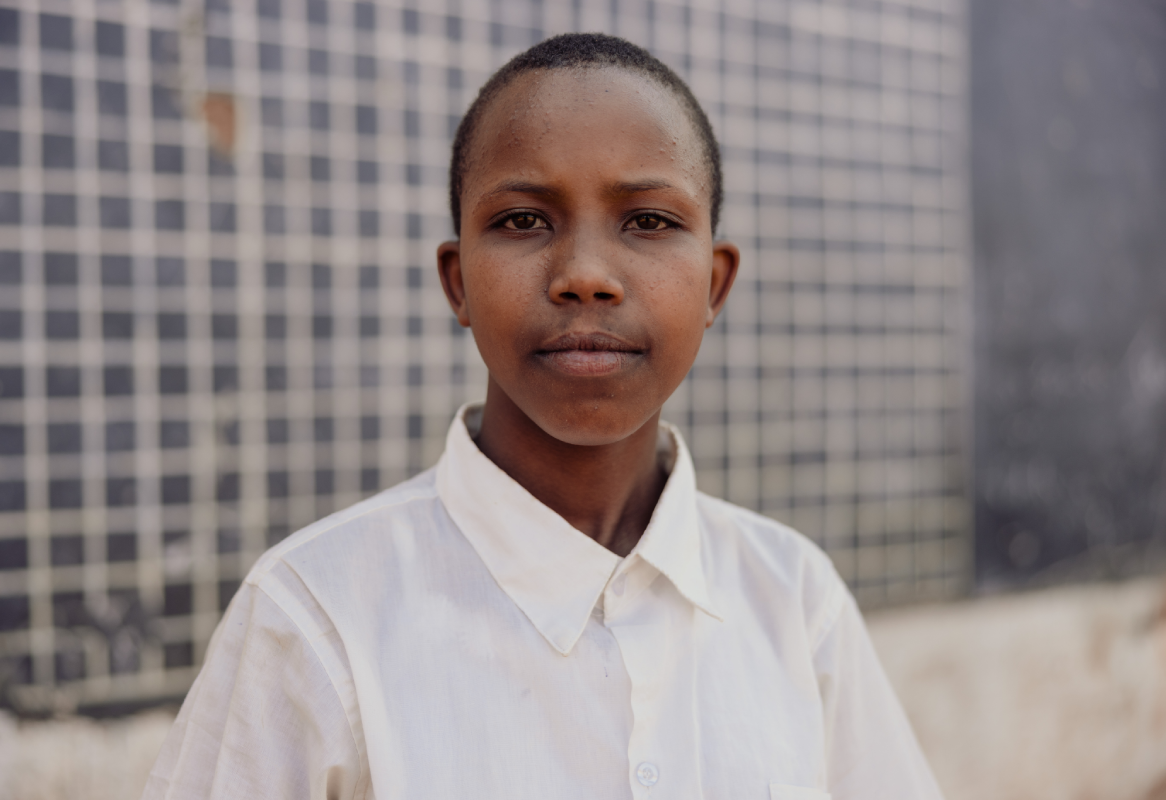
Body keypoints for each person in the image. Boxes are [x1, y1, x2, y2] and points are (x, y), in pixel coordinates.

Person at [142, 33, 943, 800]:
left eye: (649, 222)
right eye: (523, 220)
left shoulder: (795, 602)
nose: (586, 276)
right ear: (457, 283)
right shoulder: (317, 619)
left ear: (714, 286)